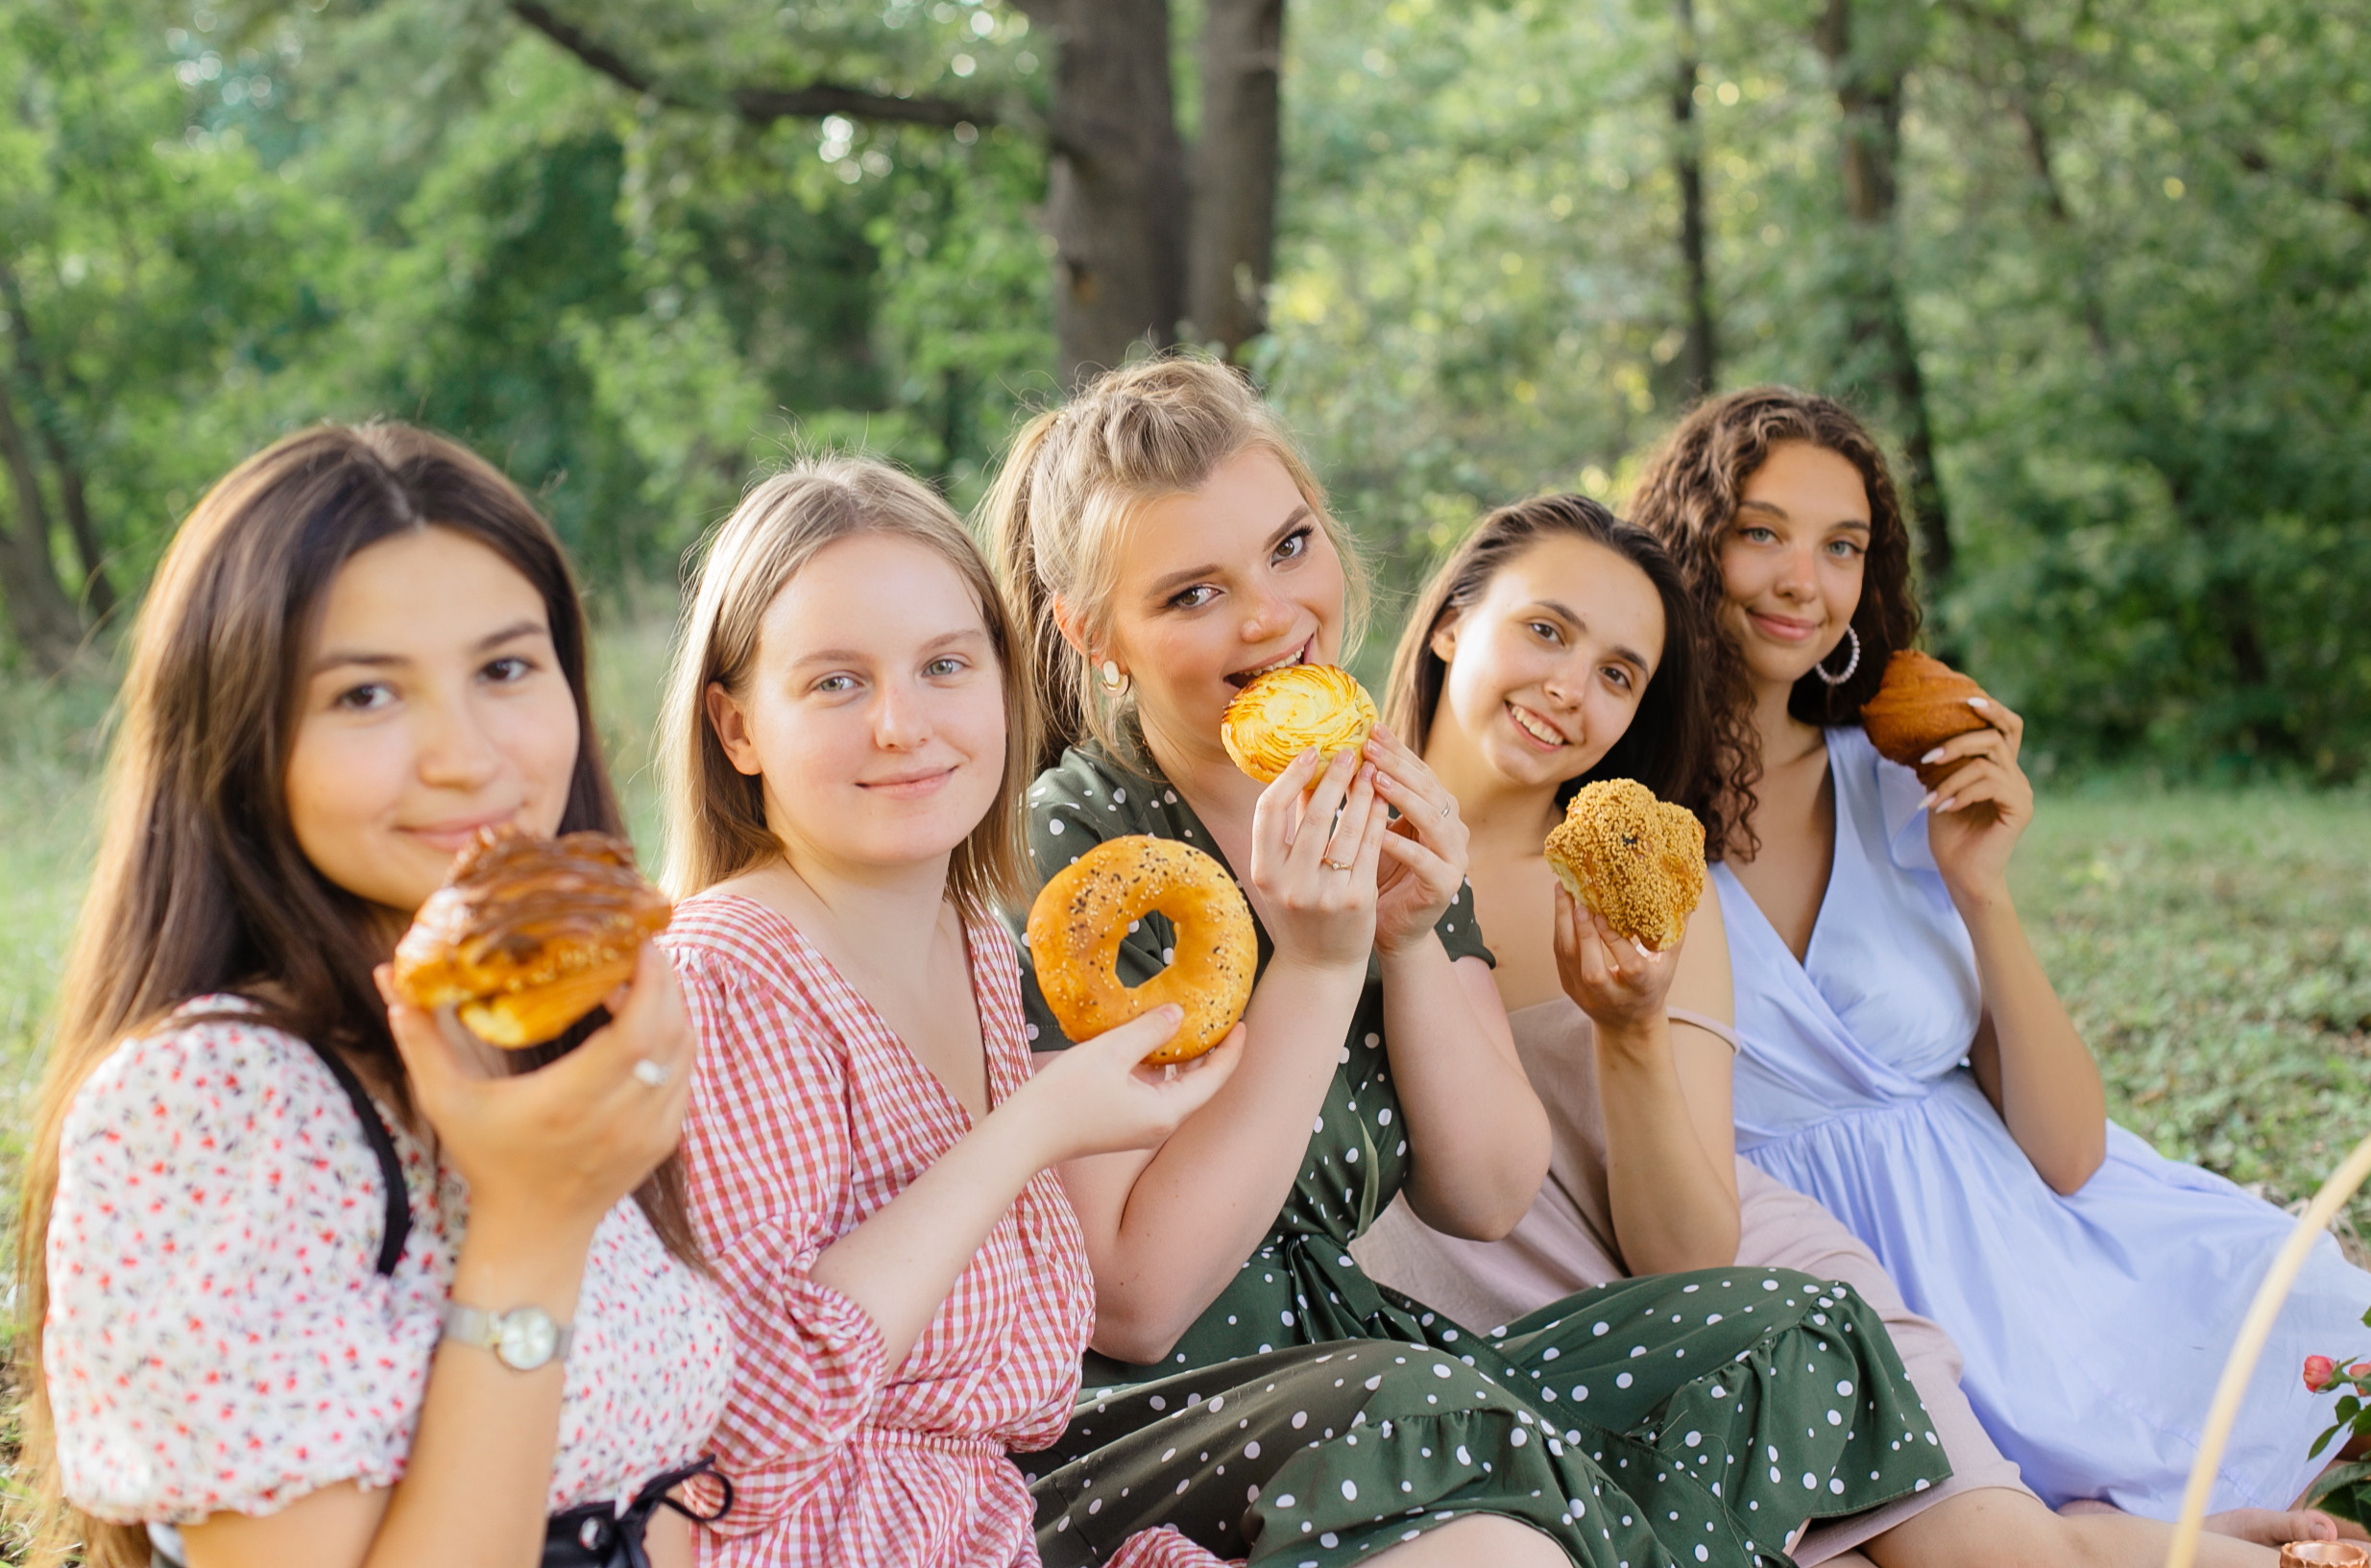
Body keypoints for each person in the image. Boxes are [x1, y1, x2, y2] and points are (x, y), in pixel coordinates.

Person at [986, 355, 1954, 1568]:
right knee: (1432, 1403)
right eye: (1191, 594)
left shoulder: (1373, 788)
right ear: (1094, 632)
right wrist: (1323, 964)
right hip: (1156, 1408)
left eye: (1291, 548)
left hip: (1363, 1364)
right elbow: (1128, 1295)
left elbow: (1486, 1188)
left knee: (1788, 1324)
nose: (1272, 615)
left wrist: (1407, 928)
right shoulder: (1077, 846)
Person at [1347, 493, 2306, 1565]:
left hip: (1744, 1320)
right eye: (1546, 629)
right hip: (1498, 1365)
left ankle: (2094, 1536)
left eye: (1619, 673)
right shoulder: (1302, 840)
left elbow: (1688, 1254)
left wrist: (1630, 1029)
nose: (1570, 690)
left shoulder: (1646, 887)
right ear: (1449, 620)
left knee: (2007, 1562)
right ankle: (2084, 1530)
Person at [1627, 384, 2371, 1523]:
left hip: (2048, 1245)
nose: (1802, 583)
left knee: (2320, 1327)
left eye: (1843, 548)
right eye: (1760, 532)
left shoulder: (1897, 782)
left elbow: (2070, 1155)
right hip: (1852, 1289)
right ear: (1689, 543)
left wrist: (1982, 891)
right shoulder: (1620, 818)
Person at [14, 424, 731, 1568]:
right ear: (240, 739)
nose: (465, 754)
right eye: (364, 695)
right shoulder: (211, 1104)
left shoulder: (547, 1039)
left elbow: (657, 1476)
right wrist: (530, 1227)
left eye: (504, 669)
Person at [653, 459, 1241, 1567]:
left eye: (943, 665)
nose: (900, 725)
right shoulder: (722, 981)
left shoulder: (973, 942)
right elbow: (731, 1458)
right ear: (736, 729)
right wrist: (1031, 1130)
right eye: (835, 682)